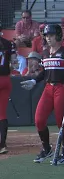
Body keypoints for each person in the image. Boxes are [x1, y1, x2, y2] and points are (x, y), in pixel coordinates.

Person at [20, 24, 64, 165]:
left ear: (58, 35)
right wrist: (34, 81)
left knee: (61, 123)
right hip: (48, 88)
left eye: (51, 35)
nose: (48, 38)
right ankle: (47, 149)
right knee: (39, 120)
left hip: (62, 87)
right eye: (46, 36)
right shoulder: (45, 53)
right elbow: (45, 72)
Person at [0, 26, 16, 154]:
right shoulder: (7, 43)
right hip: (5, 79)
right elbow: (12, 63)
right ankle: (2, 145)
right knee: (2, 114)